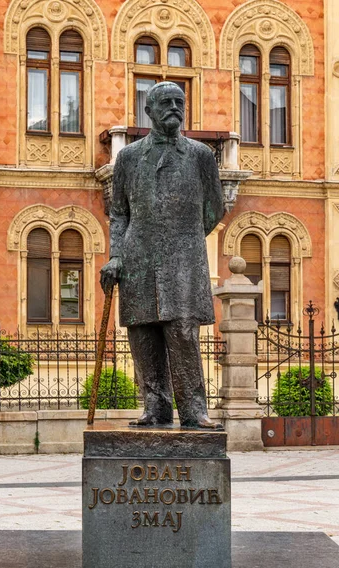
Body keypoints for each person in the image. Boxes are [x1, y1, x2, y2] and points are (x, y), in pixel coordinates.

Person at [100, 81, 224, 429]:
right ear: (149, 111)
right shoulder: (128, 158)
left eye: (178, 101)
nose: (173, 107)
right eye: (165, 102)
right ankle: (155, 407)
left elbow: (215, 208)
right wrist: (116, 256)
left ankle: (194, 411)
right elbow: (119, 213)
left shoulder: (200, 156)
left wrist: (183, 235)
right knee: (143, 335)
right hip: (137, 258)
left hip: (184, 259)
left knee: (182, 333)